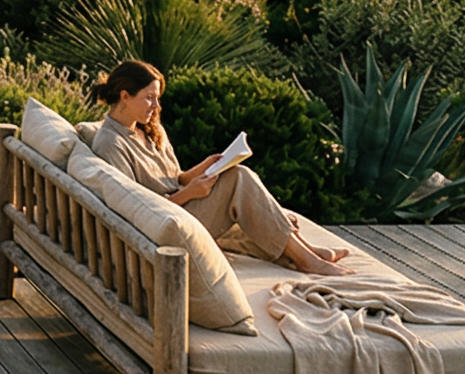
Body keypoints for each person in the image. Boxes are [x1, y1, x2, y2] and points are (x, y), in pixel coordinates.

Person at [86, 59, 350, 276]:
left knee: (241, 184)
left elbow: (173, 178)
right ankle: (306, 259)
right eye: (149, 98)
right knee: (240, 180)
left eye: (157, 98)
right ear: (124, 96)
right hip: (165, 224)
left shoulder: (146, 129)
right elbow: (135, 209)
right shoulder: (111, 144)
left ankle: (306, 252)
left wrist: (204, 168)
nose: (156, 107)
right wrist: (190, 194)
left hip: (181, 207)